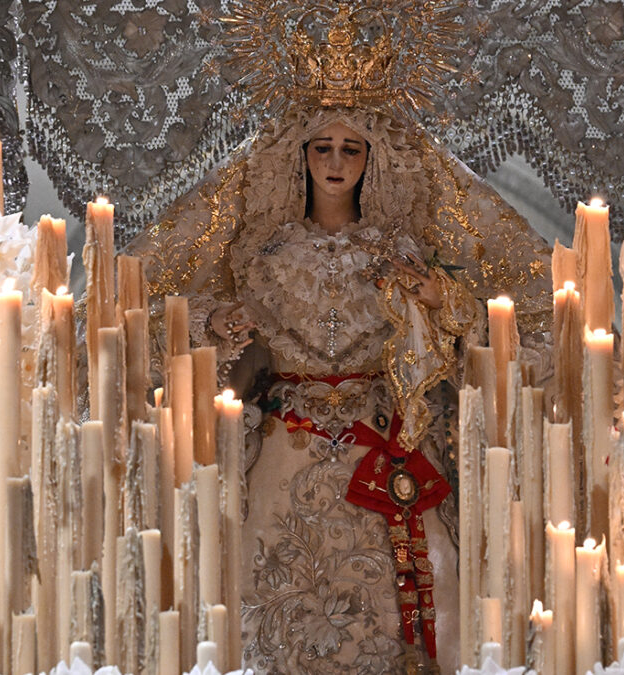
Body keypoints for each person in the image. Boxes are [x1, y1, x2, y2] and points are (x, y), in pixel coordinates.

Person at [128, 9, 554, 674]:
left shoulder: (398, 250)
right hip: (286, 440)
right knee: (262, 592)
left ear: (371, 159)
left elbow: (483, 330)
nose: (334, 162)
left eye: (350, 148)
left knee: (405, 601)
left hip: (382, 441)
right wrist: (218, 320)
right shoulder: (263, 252)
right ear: (299, 156)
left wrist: (441, 302)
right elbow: (157, 311)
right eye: (321, 147)